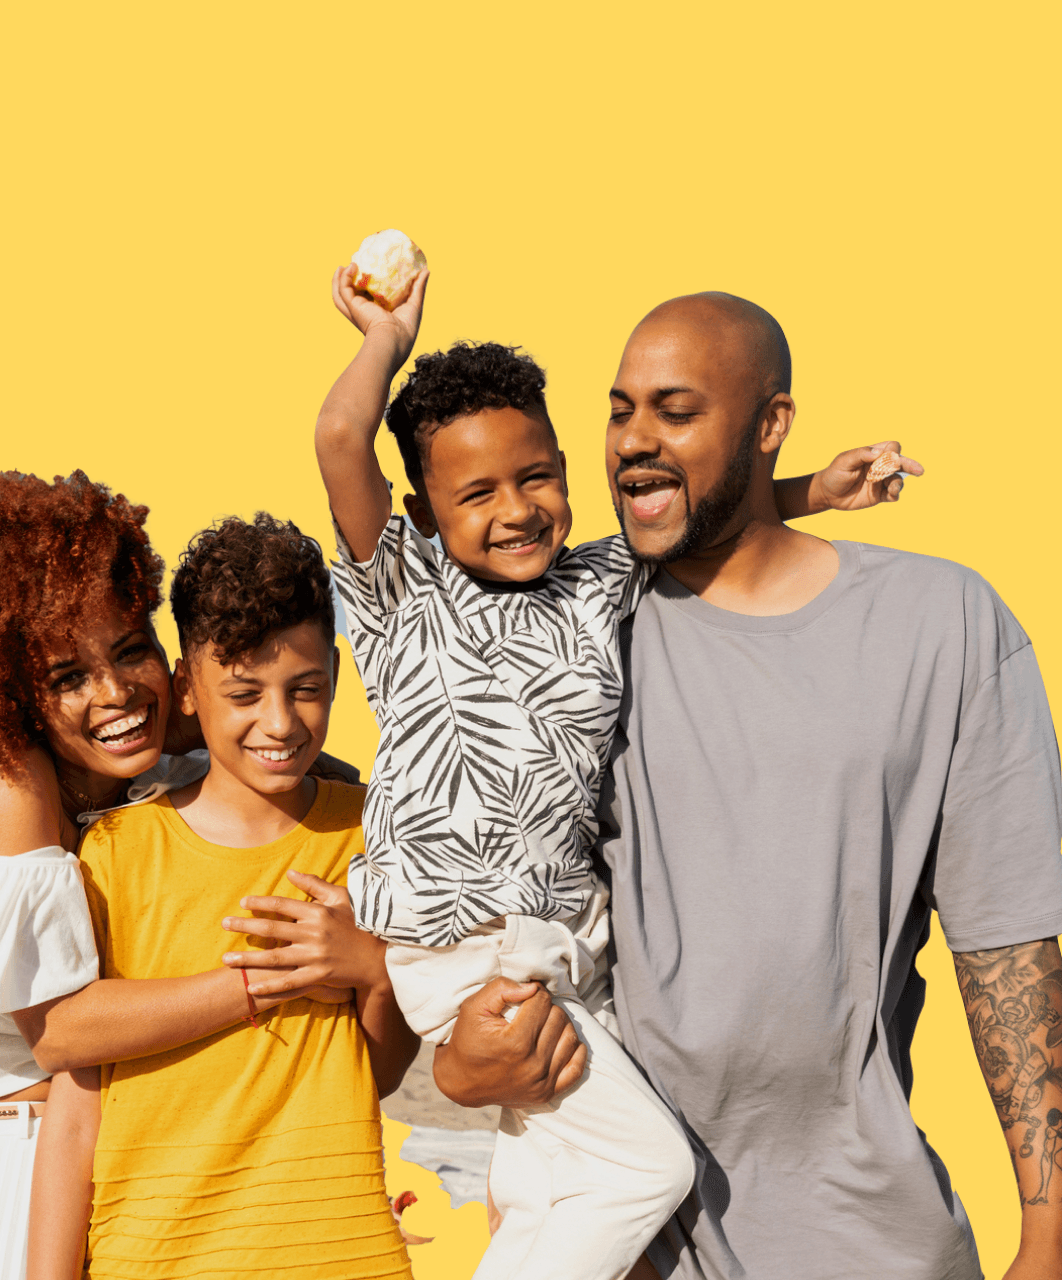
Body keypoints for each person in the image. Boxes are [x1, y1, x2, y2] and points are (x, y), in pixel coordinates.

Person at [434, 292, 1062, 1280]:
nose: (631, 441)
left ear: (768, 424)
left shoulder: (944, 626)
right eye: (617, 409)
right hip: (627, 1240)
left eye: (673, 411)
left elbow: (1010, 951)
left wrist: (1048, 1238)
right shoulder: (563, 631)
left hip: (868, 1240)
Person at [310, 265, 919, 1279]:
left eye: (536, 474)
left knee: (550, 1186)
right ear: (421, 511)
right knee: (645, 1170)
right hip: (460, 946)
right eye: (476, 492)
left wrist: (821, 490)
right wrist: (386, 336)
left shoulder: (601, 577)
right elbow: (340, 440)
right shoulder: (402, 594)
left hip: (558, 948)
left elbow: (715, 525)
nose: (516, 508)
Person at [0, 472, 369, 1280]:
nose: (115, 693)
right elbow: (59, 1032)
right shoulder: (4, 784)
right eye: (67, 677)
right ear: (12, 692)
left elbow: (276, 740)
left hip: (116, 1182)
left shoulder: (153, 765)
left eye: (130, 652)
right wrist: (279, 975)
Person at [27, 513, 417, 1280]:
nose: (279, 722)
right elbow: (74, 1114)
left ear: (336, 677)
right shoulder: (113, 854)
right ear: (187, 691)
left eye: (305, 690)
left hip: (342, 1255)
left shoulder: (374, 835)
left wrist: (370, 969)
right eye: (244, 693)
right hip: (154, 1257)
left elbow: (385, 1066)